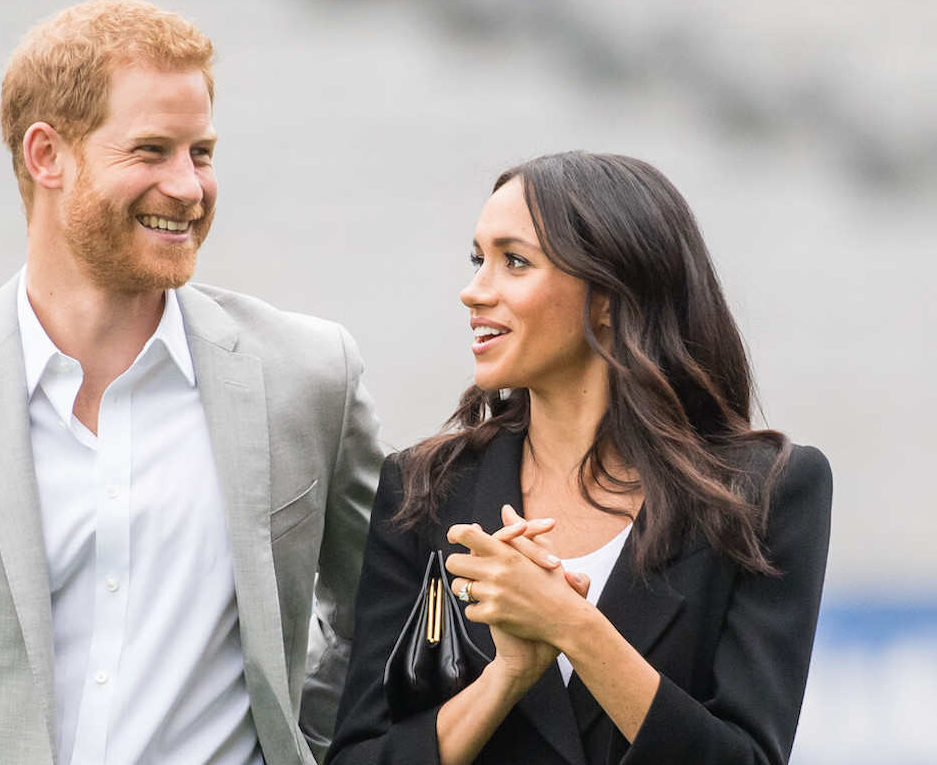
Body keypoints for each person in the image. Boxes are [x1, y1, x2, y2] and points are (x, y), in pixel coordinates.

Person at [0, 0, 383, 765]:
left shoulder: (310, 376)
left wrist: (309, 743)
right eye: (152, 151)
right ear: (47, 155)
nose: (189, 187)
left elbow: (378, 617)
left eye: (203, 152)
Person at [328, 151, 831, 765]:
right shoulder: (423, 489)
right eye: (477, 259)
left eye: (514, 262)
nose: (473, 290)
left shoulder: (769, 491)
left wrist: (573, 626)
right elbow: (358, 756)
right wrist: (505, 678)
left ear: (610, 298)